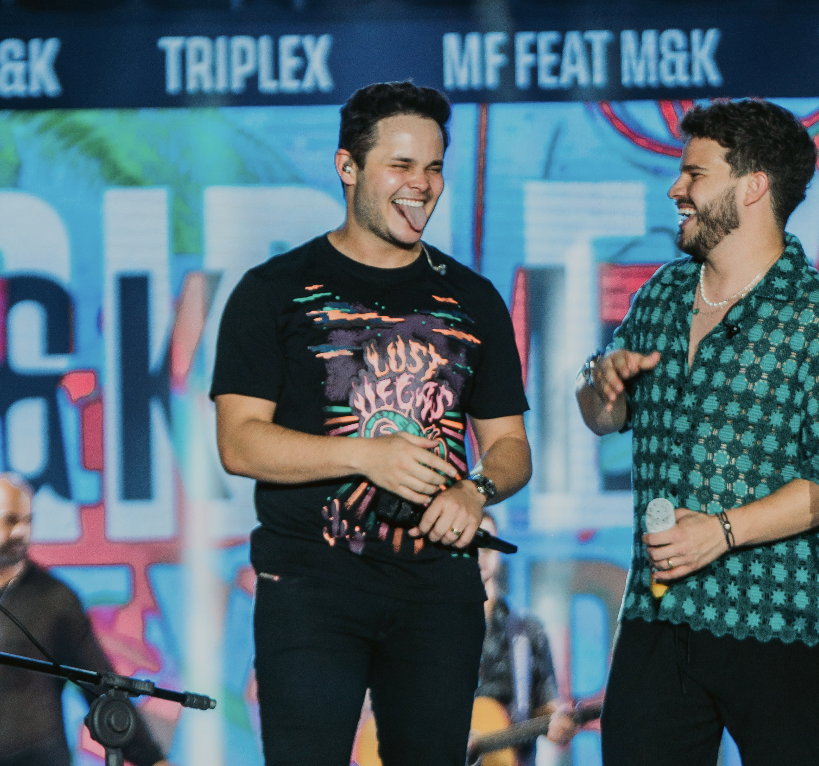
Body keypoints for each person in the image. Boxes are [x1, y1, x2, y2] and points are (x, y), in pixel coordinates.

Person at [211, 82, 531, 766]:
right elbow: (239, 442)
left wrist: (474, 491)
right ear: (347, 167)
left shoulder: (473, 298)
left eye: (434, 167)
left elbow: (510, 446)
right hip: (311, 586)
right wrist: (368, 456)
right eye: (401, 165)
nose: (422, 185)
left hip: (438, 592)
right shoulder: (274, 291)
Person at [577, 99, 819, 766]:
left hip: (775, 623)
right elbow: (603, 417)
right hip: (657, 613)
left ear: (753, 186)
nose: (676, 190)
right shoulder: (661, 293)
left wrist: (723, 531)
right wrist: (600, 383)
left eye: (695, 174)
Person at [0, 474, 170, 766]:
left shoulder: (54, 598)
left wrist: (152, 760)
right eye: (10, 520)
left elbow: (101, 686)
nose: (21, 532)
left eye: (28, 520)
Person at [472, 512, 577, 765]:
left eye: (486, 545)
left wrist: (557, 722)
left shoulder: (528, 631)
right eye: (469, 545)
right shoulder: (426, 630)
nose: (478, 554)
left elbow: (546, 705)